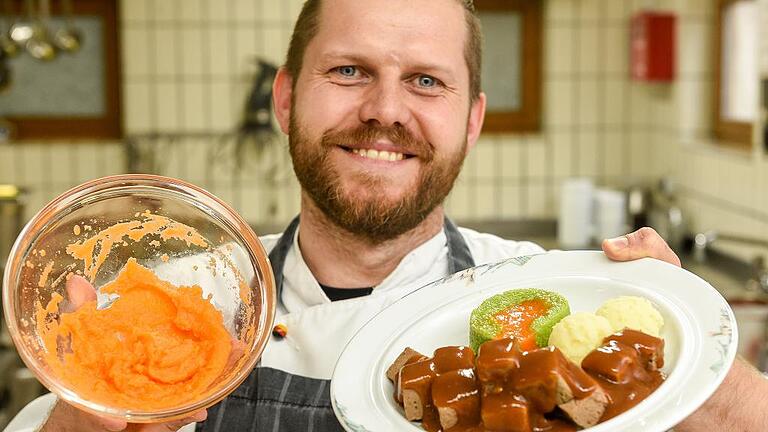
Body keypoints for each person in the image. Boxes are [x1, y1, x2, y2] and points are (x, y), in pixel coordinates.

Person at [8, 0, 768, 431]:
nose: (384, 112)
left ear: (471, 122)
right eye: (349, 71)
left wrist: (696, 366)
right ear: (285, 99)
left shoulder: (538, 301)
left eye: (426, 82)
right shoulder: (176, 310)